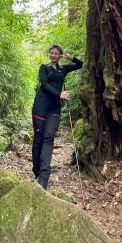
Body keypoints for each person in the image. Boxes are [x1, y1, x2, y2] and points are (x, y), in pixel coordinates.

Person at [31, 45, 83, 189]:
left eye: (56, 53)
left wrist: (70, 57)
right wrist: (59, 94)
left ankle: (44, 177)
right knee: (39, 139)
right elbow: (44, 84)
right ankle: (36, 171)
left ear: (59, 55)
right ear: (49, 54)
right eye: (51, 53)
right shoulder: (44, 68)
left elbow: (80, 65)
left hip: (54, 108)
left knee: (49, 138)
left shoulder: (63, 69)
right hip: (40, 106)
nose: (53, 55)